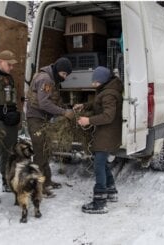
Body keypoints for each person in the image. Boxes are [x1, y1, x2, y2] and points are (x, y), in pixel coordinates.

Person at [74, 66, 123, 214]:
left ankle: (100, 201)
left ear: (102, 80)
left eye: (95, 82)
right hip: (106, 133)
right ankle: (111, 190)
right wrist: (84, 105)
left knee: (99, 165)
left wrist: (88, 120)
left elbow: (108, 116)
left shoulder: (108, 94)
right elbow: (98, 104)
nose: (93, 84)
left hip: (107, 133)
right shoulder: (105, 91)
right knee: (101, 162)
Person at [26, 57, 74, 198]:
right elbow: (44, 104)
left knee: (46, 150)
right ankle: (38, 187)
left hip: (43, 119)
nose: (64, 78)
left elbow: (54, 100)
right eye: (64, 74)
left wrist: (67, 108)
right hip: (36, 119)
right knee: (40, 153)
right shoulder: (46, 79)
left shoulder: (51, 78)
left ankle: (46, 181)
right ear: (58, 70)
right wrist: (64, 112)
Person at [0, 50, 21, 204]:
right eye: (9, 64)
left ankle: (6, 181)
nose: (11, 67)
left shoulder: (9, 78)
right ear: (0, 61)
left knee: (8, 153)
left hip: (10, 123)